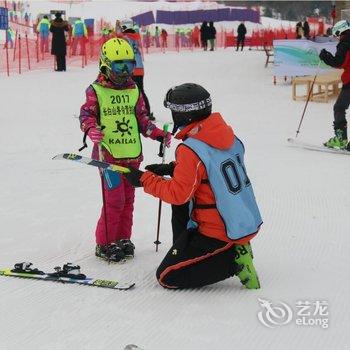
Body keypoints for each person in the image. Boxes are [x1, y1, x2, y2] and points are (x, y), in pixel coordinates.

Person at [123, 83, 263, 289]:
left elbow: (178, 194)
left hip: (216, 230)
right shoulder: (226, 136)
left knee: (167, 277)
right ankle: (211, 249)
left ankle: (233, 258)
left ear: (183, 116)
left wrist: (144, 180)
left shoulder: (190, 150)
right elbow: (212, 167)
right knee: (180, 199)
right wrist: (174, 168)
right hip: (233, 219)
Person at [79, 38, 172, 262]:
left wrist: (158, 134)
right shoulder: (96, 90)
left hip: (131, 155)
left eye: (129, 65)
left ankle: (122, 238)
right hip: (107, 156)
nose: (124, 71)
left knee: (128, 200)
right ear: (105, 64)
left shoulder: (133, 89)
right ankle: (105, 242)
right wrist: (91, 129)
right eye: (119, 66)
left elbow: (142, 120)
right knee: (114, 200)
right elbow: (86, 115)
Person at [319, 20, 350, 150]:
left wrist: (325, 57)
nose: (336, 37)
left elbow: (339, 62)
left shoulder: (345, 43)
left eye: (336, 34)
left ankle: (341, 139)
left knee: (339, 108)